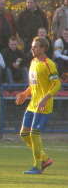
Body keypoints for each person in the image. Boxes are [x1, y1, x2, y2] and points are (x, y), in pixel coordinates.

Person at [15, 37, 60, 174]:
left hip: (43, 106)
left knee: (34, 134)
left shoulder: (49, 64)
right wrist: (24, 94)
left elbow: (57, 84)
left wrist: (45, 99)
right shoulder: (33, 62)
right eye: (32, 46)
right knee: (24, 133)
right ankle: (45, 158)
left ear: (43, 49)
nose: (32, 49)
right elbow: (34, 83)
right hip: (33, 104)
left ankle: (38, 166)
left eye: (35, 47)